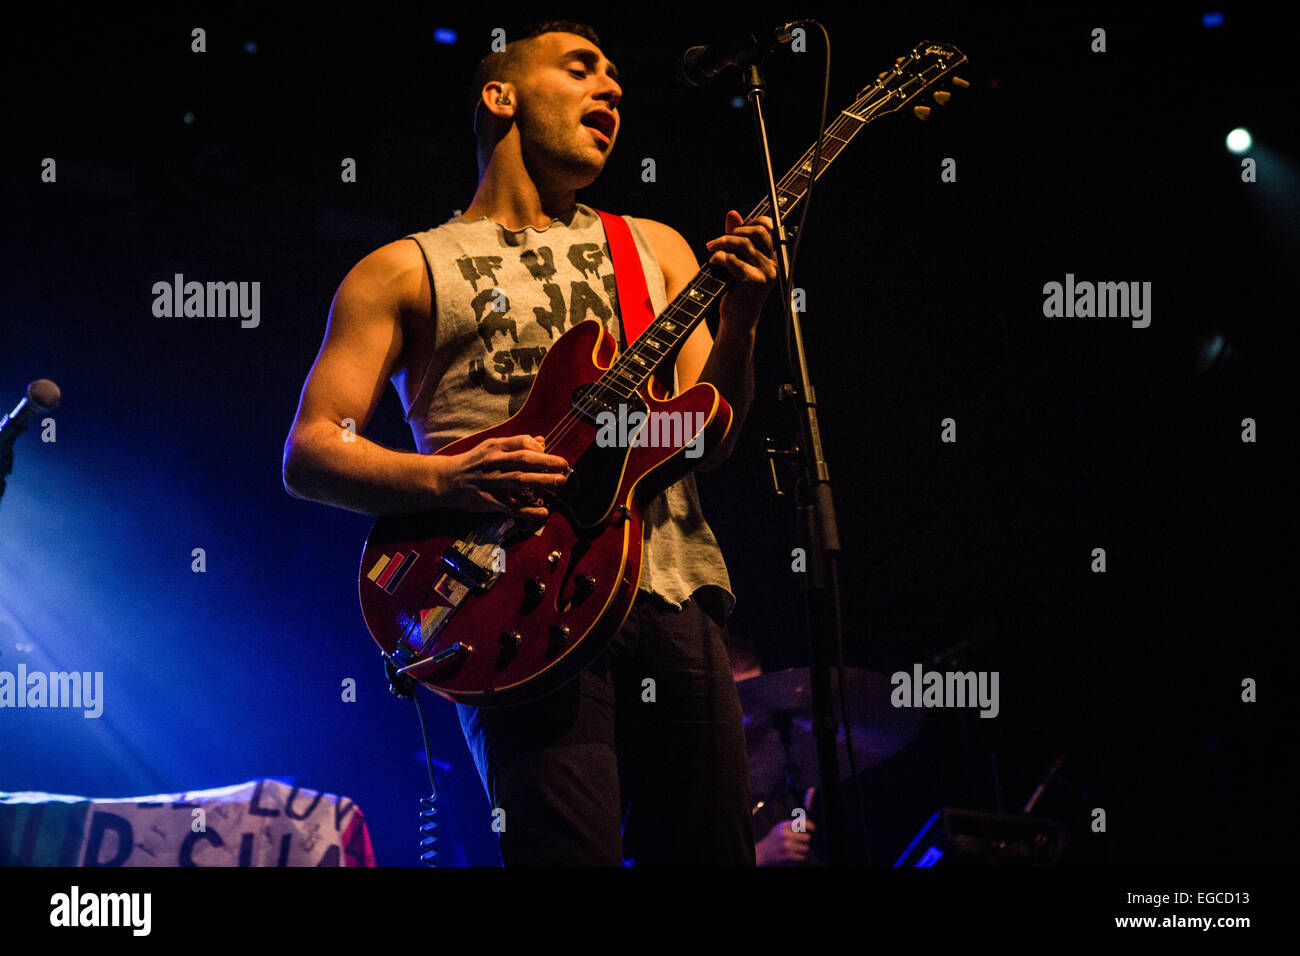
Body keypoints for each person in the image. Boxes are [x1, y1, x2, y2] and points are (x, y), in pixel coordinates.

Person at [282, 20, 776, 865]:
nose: (612, 89)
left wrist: (741, 323)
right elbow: (312, 451)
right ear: (500, 95)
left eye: (618, 77)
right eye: (582, 68)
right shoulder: (400, 270)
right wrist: (448, 479)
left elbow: (712, 435)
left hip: (673, 592)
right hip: (513, 608)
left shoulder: (653, 248)